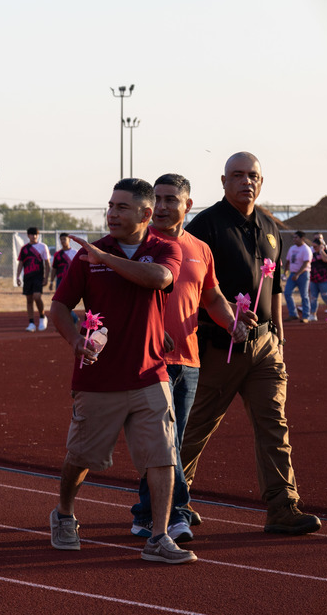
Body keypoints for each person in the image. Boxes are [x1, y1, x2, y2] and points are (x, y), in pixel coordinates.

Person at [48, 178, 196, 565]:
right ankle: (64, 513)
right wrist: (75, 340)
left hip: (151, 375)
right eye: (110, 206)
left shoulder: (165, 249)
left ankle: (158, 536)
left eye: (122, 208)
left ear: (146, 214)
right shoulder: (87, 256)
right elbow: (59, 307)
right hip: (98, 379)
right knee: (81, 457)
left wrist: (106, 259)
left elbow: (158, 279)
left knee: (162, 457)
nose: (112, 214)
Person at [181, 152, 321, 535]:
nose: (247, 182)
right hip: (219, 348)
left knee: (274, 425)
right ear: (223, 181)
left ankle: (282, 507)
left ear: (262, 181)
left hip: (266, 349)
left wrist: (278, 334)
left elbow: (274, 288)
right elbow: (192, 289)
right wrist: (220, 320)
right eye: (238, 175)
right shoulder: (204, 227)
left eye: (253, 176)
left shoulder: (270, 227)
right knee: (198, 426)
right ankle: (171, 497)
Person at [130, 174, 247, 542]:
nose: (162, 207)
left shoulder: (200, 248)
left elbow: (211, 297)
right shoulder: (138, 245)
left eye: (170, 200)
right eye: (157, 200)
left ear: (187, 206)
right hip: (149, 360)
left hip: (190, 361)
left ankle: (146, 513)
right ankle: (176, 512)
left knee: (172, 441)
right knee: (163, 442)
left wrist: (233, 323)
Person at [16, 227, 50, 332]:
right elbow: (21, 263)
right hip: (27, 277)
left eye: (36, 234)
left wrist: (46, 278)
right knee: (29, 300)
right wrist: (17, 276)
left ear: (38, 235)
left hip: (38, 277)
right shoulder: (24, 248)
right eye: (31, 234)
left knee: (37, 296)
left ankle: (42, 317)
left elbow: (47, 264)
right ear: (28, 235)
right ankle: (31, 323)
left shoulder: (43, 246)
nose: (34, 236)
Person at [283, 231, 312, 322]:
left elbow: (306, 263)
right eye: (293, 237)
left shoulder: (306, 249)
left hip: (303, 274)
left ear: (302, 238)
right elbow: (288, 261)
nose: (294, 239)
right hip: (293, 274)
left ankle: (306, 316)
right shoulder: (292, 248)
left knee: (304, 295)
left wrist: (297, 274)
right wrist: (285, 271)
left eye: (296, 237)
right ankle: (293, 314)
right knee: (287, 292)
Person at [308, 237, 327, 320]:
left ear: (321, 246)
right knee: (313, 297)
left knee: (325, 296)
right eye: (313, 246)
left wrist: (321, 250)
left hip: (325, 278)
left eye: (315, 246)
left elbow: (326, 260)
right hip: (314, 279)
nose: (314, 248)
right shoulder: (312, 253)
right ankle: (313, 314)